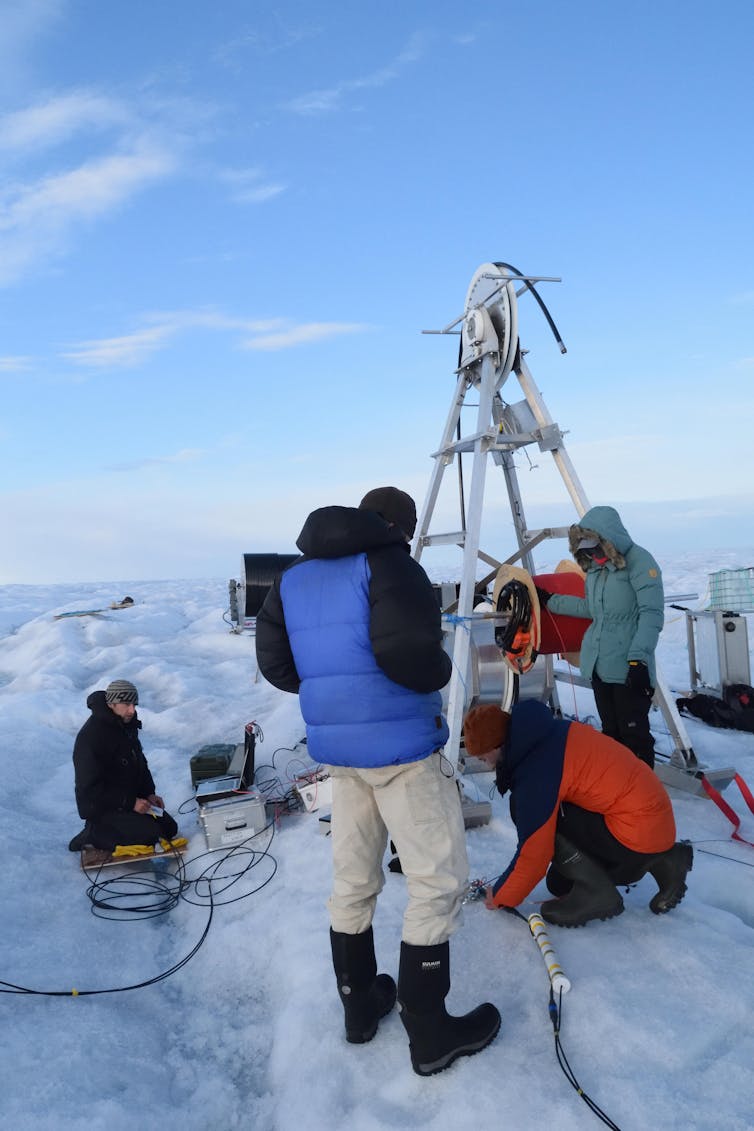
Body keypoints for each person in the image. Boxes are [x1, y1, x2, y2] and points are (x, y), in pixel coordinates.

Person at [255, 486, 500, 1076]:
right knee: (437, 881)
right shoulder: (393, 565)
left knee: (353, 875)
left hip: (341, 753)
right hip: (403, 752)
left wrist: (336, 696)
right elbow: (412, 656)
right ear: (399, 524)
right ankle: (429, 1029)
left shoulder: (293, 578)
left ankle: (360, 1006)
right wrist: (442, 666)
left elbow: (276, 664)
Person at [462, 700, 692, 928]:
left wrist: (501, 895)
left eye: (483, 758)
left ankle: (598, 894)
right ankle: (666, 861)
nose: (486, 765)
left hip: (636, 836)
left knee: (538, 818)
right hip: (654, 823)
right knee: (558, 883)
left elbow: (534, 854)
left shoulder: (536, 771)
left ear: (496, 747)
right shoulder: (546, 733)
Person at [536, 505, 664, 768]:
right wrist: (550, 601)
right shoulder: (596, 571)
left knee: (634, 739)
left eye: (596, 549)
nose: (593, 556)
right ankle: (617, 796)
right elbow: (590, 609)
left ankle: (642, 799)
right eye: (587, 552)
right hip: (600, 666)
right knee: (611, 736)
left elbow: (651, 614)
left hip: (629, 669)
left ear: (609, 540)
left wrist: (638, 660)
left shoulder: (641, 563)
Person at [69, 680, 185, 857]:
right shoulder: (91, 738)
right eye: (126, 704)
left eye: (134, 704)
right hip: (103, 809)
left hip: (128, 802)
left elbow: (139, 763)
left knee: (169, 828)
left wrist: (149, 794)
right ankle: (93, 833)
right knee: (151, 835)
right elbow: (89, 790)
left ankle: (127, 823)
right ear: (111, 704)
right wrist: (130, 803)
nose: (132, 710)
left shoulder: (125, 724)